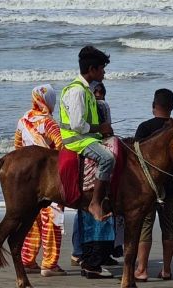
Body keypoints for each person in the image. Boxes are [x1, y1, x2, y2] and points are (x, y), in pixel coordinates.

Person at [13, 85, 67, 277]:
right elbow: (61, 148)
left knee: (31, 220)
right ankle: (50, 264)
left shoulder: (23, 120)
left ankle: (27, 260)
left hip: (27, 178)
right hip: (48, 177)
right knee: (52, 220)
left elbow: (17, 149)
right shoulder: (49, 123)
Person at [58, 45, 114, 222]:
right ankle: (95, 203)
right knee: (107, 158)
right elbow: (77, 125)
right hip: (76, 140)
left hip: (87, 137)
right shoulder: (77, 91)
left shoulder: (87, 90)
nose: (104, 72)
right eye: (102, 68)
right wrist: (101, 128)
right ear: (92, 69)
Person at [71, 80, 120, 278]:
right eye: (97, 90)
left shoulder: (85, 101)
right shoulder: (102, 106)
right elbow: (106, 132)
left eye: (101, 91)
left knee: (84, 213)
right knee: (101, 207)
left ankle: (83, 254)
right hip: (97, 161)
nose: (99, 94)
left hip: (83, 159)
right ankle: (94, 261)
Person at [133, 88, 173, 281]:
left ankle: (141, 269)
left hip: (147, 188)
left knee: (145, 225)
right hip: (170, 184)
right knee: (168, 226)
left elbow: (134, 159)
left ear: (153, 107)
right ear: (172, 107)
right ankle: (166, 270)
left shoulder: (144, 128)